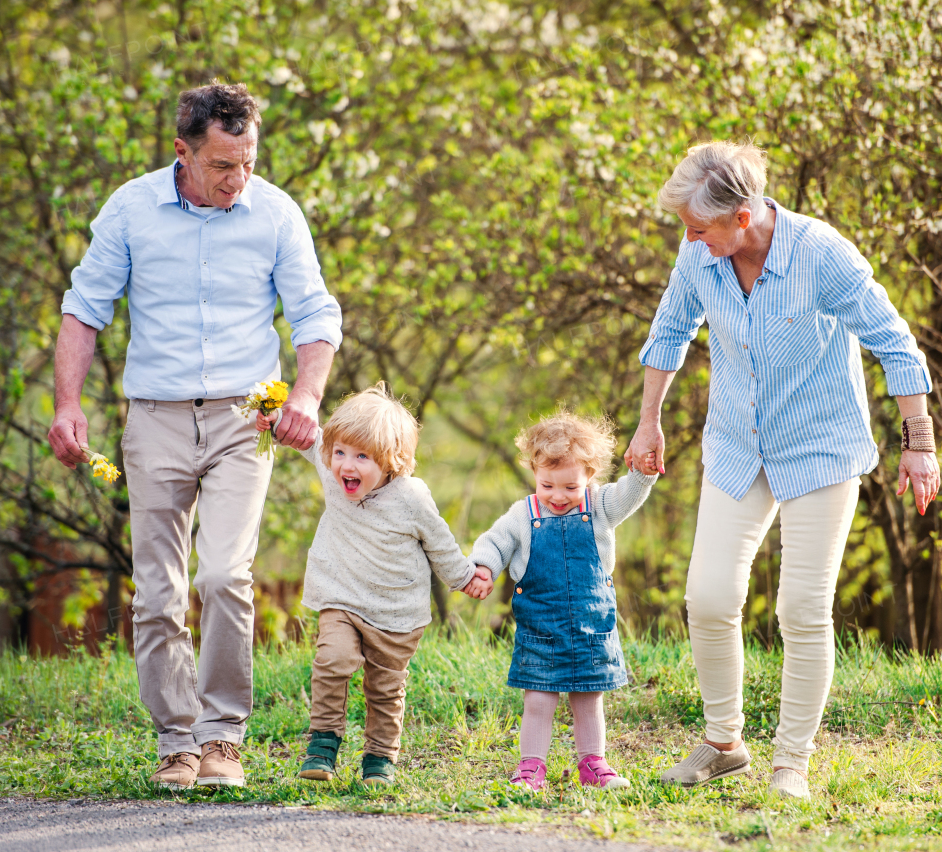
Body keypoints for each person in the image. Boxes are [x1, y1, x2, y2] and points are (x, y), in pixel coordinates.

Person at [47, 82, 342, 791]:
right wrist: (67, 404)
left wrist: (306, 394)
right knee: (157, 592)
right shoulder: (131, 210)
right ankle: (176, 742)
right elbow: (84, 310)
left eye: (247, 162)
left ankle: (223, 739)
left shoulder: (275, 212)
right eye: (221, 166)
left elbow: (315, 314)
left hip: (246, 419)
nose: (238, 180)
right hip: (155, 417)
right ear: (181, 152)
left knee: (224, 575)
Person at [628, 140, 940, 799]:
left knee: (802, 608)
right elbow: (669, 331)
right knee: (709, 596)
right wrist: (648, 419)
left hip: (820, 447)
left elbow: (894, 340)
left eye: (698, 226)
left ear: (741, 218)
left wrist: (920, 441)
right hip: (739, 445)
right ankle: (723, 743)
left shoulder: (819, 253)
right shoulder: (699, 257)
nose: (688, 239)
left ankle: (790, 765)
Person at [255, 384, 491, 785]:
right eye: (341, 452)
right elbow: (307, 436)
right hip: (341, 597)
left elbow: (440, 543)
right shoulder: (333, 470)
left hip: (396, 613)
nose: (346, 464)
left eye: (362, 456)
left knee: (385, 687)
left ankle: (379, 759)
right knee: (332, 660)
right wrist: (276, 419)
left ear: (391, 461)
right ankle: (323, 745)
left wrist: (466, 577)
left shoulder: (411, 497)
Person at [470, 412, 659, 791]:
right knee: (538, 702)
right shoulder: (524, 514)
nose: (558, 496)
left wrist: (644, 469)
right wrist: (484, 568)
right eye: (547, 485)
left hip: (591, 629)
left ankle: (593, 764)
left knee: (588, 700)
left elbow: (631, 493)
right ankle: (531, 768)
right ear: (534, 472)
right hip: (541, 631)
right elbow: (495, 541)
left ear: (590, 476)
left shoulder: (601, 505)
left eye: (570, 487)